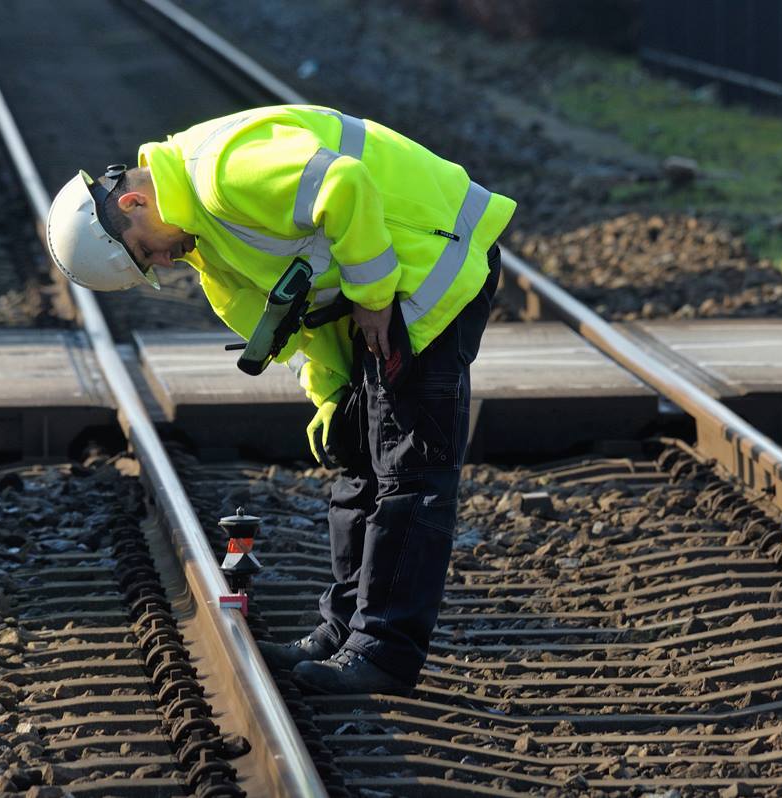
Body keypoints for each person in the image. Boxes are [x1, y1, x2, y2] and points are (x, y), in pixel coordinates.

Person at [45, 105, 515, 694]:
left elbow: (345, 184)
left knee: (410, 473)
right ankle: (342, 630)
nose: (164, 264)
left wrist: (372, 295)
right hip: (382, 289)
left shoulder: (222, 173)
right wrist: (330, 395)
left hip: (429, 264)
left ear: (133, 204)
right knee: (357, 460)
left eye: (147, 254)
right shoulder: (208, 249)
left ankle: (384, 652)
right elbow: (297, 322)